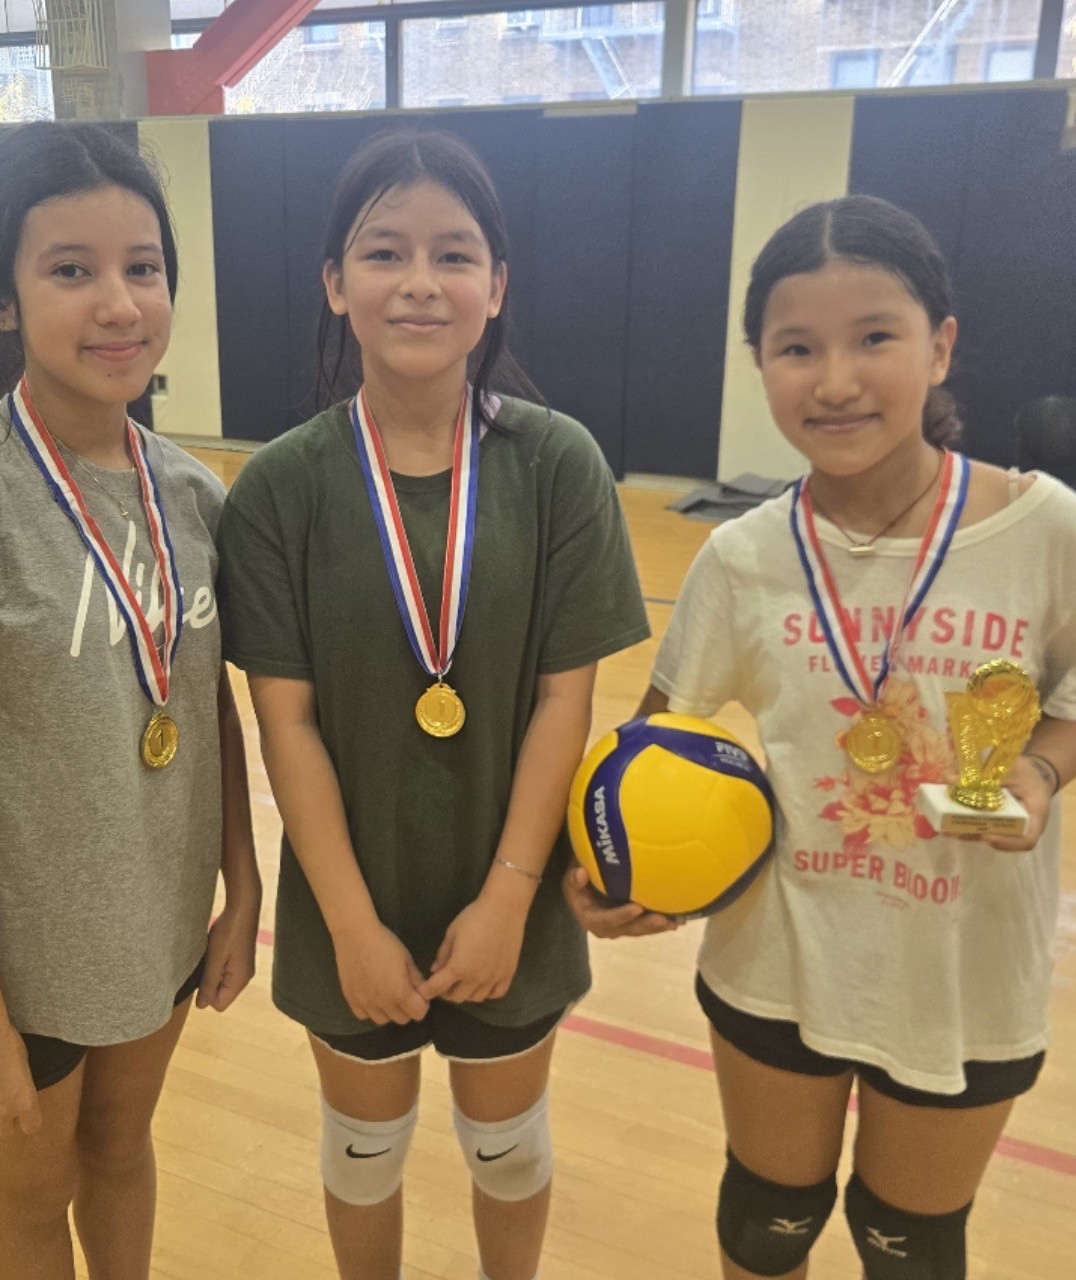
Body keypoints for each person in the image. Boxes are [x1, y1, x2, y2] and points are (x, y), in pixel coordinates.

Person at [566, 195, 1076, 1280]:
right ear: (760, 365)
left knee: (909, 1248)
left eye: (874, 337)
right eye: (796, 348)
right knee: (765, 1221)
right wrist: (612, 867)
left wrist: (1039, 770)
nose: (833, 380)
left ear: (940, 345)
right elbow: (654, 740)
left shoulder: (1044, 527)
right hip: (778, 958)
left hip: (965, 970)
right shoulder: (742, 556)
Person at [215, 130, 649, 1280]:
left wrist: (508, 896)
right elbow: (285, 724)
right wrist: (350, 925)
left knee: (507, 1149)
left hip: (511, 887)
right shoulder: (280, 487)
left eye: (453, 254)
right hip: (347, 896)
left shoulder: (557, 464)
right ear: (334, 282)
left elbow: (563, 700)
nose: (419, 281)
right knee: (362, 1155)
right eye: (383, 251)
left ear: (495, 286)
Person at [0, 122, 260, 1280]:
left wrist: (243, 883)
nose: (118, 303)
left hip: (156, 920)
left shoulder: (193, 496)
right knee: (34, 1189)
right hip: (19, 959)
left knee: (122, 1149)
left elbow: (208, 708)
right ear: (4, 299)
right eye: (70, 269)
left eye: (143, 266)